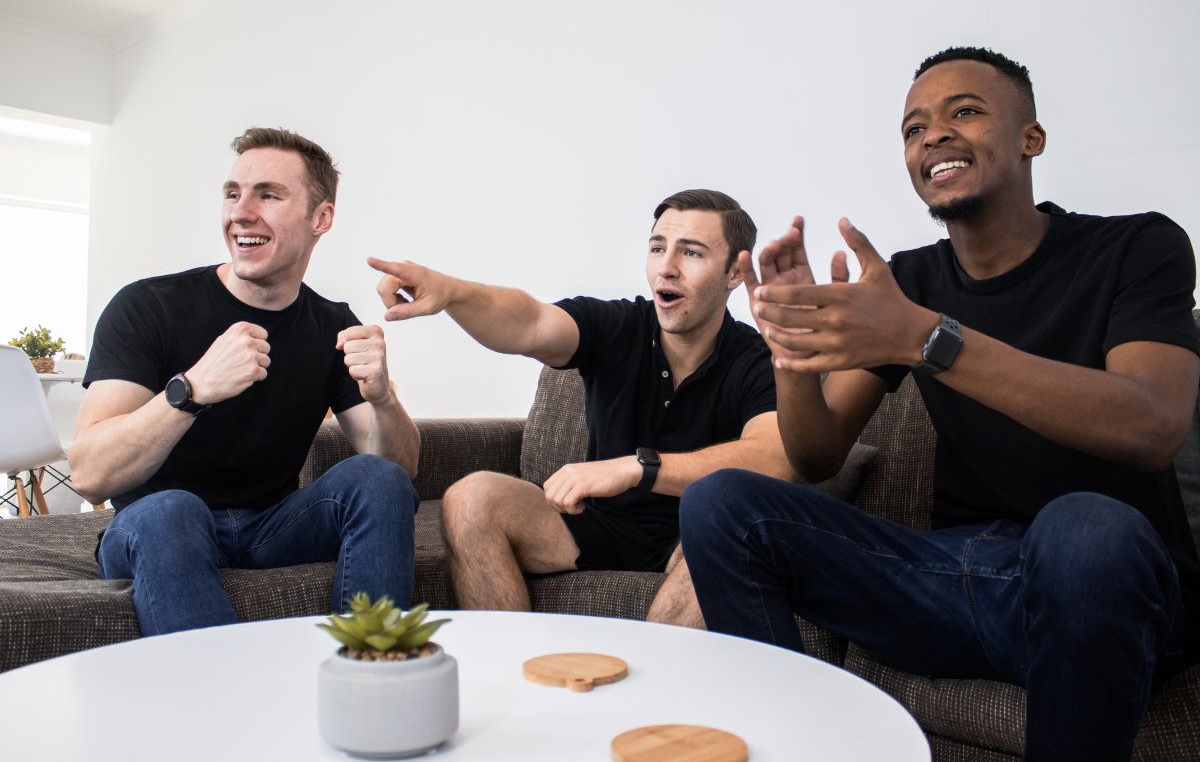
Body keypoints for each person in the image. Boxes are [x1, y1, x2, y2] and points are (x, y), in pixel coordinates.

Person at [680, 47, 1200, 760]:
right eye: (914, 128)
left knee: (1083, 528)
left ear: (1030, 138)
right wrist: (793, 357)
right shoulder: (911, 281)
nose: (934, 137)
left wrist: (928, 338)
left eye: (965, 112)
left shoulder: (1136, 247)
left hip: (1105, 588)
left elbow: (1151, 424)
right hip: (956, 582)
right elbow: (817, 453)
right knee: (723, 505)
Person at [369, 189, 792, 626]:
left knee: (722, 533)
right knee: (471, 498)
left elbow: (774, 457)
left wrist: (638, 467)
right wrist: (454, 293)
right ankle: (512, 682)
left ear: (735, 272)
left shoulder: (757, 360)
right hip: (598, 526)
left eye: (692, 253)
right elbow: (530, 322)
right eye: (657, 247)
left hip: (693, 535)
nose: (667, 267)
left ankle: (654, 692)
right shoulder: (620, 326)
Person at [71, 128, 422, 636]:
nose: (241, 212)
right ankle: (216, 704)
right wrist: (190, 391)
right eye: (233, 193)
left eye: (269, 195)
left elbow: (399, 469)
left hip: (270, 527)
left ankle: (368, 673)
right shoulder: (148, 306)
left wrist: (384, 398)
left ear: (320, 218)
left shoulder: (333, 325)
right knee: (172, 509)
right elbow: (88, 473)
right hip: (155, 529)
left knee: (378, 480)